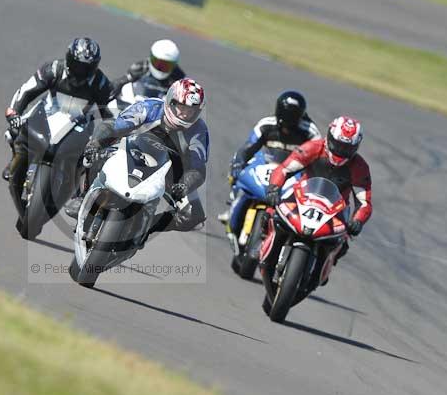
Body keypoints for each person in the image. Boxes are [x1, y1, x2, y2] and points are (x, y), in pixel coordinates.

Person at [66, 78, 209, 235]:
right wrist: (95, 144)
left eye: (190, 111)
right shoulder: (150, 107)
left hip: (170, 170)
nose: (184, 114)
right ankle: (82, 197)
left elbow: (198, 167)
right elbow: (113, 126)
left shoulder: (199, 131)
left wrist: (185, 185)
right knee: (93, 154)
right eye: (181, 107)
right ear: (171, 102)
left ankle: (145, 229)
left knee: (194, 216)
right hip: (129, 150)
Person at [3, 38, 114, 216]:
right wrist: (14, 113)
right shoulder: (54, 69)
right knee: (13, 131)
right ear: (69, 60)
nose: (81, 71)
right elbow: (26, 91)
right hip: (47, 113)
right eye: (77, 65)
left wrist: (110, 135)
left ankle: (80, 195)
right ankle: (16, 160)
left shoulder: (101, 83)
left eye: (86, 67)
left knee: (94, 156)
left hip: (80, 123)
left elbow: (111, 114)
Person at [259, 116, 372, 283]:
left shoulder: (359, 167)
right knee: (270, 213)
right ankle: (264, 244)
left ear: (355, 147)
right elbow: (284, 169)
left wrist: (358, 221)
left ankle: (323, 268)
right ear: (329, 137)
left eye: (346, 147)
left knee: (344, 242)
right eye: (338, 144)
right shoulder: (313, 148)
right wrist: (274, 189)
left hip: (336, 210)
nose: (340, 150)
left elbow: (364, 202)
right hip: (301, 197)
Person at [218, 90, 320, 227]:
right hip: (266, 162)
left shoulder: (310, 131)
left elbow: (318, 156)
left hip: (294, 173)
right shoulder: (266, 124)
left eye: (292, 121)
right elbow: (249, 146)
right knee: (236, 168)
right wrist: (239, 162)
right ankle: (233, 204)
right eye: (284, 123)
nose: (286, 130)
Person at [110, 39, 185, 101]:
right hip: (136, 102)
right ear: (151, 58)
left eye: (166, 65)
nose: (160, 67)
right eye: (157, 63)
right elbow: (120, 82)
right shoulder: (140, 67)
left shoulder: (179, 77)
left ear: (174, 65)